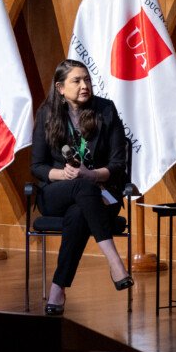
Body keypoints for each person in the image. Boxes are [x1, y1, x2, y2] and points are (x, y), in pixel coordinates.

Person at [31, 59, 133, 316]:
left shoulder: (105, 110)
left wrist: (91, 173)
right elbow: (37, 166)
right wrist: (61, 174)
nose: (85, 85)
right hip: (56, 193)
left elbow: (118, 164)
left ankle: (57, 289)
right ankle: (114, 262)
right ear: (60, 88)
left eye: (87, 79)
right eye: (76, 81)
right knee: (81, 188)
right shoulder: (47, 114)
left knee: (80, 209)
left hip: (100, 195)